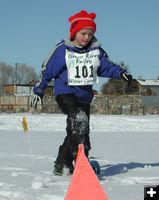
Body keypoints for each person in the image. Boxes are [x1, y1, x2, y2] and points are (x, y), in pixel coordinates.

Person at [31, 10, 132, 175]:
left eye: (90, 34)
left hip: (84, 97)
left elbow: (106, 66)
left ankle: (66, 162)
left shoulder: (96, 50)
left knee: (80, 130)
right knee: (79, 119)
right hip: (65, 93)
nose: (87, 37)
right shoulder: (62, 50)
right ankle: (76, 161)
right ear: (74, 32)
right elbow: (48, 71)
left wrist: (121, 73)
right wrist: (38, 90)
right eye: (83, 33)